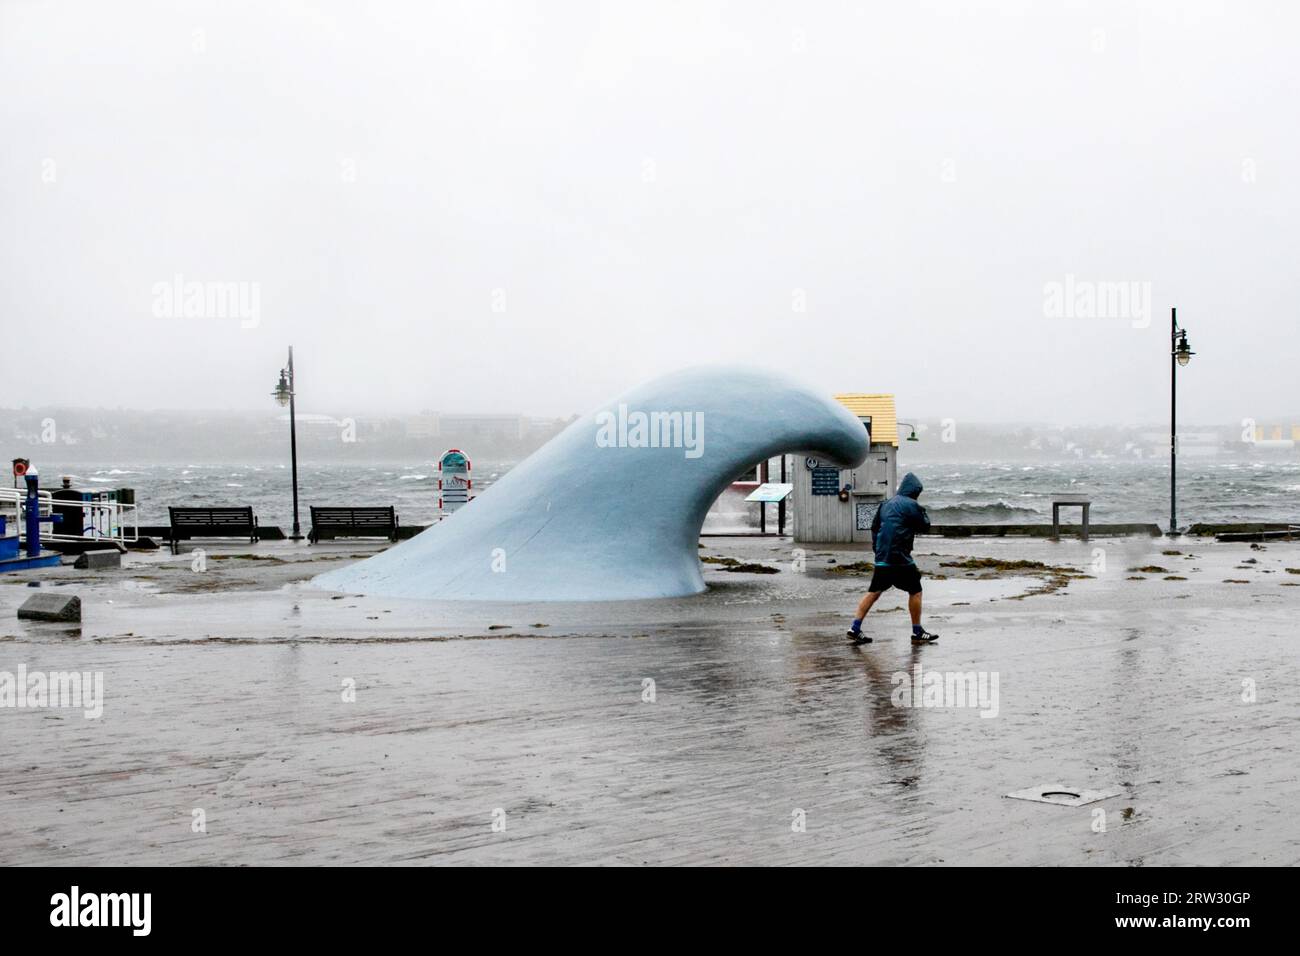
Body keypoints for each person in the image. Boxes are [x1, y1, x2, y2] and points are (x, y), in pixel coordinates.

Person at [846, 472, 939, 645]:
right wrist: (922, 511)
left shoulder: (886, 504)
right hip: (900, 557)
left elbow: (874, 528)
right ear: (915, 492)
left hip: (883, 556)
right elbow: (925, 526)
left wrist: (877, 549)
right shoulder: (911, 504)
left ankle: (855, 628)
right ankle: (917, 632)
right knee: (916, 591)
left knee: (874, 591)